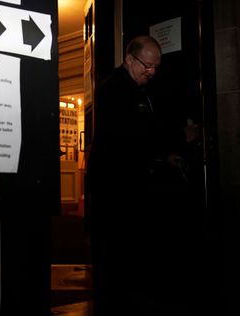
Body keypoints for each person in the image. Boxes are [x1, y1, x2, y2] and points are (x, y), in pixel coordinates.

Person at [85, 35, 201, 315]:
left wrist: (164, 155)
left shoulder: (137, 88)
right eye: (147, 65)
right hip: (114, 190)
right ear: (129, 59)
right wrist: (179, 138)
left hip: (126, 186)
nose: (151, 72)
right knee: (114, 260)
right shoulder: (115, 88)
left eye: (156, 67)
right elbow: (133, 136)